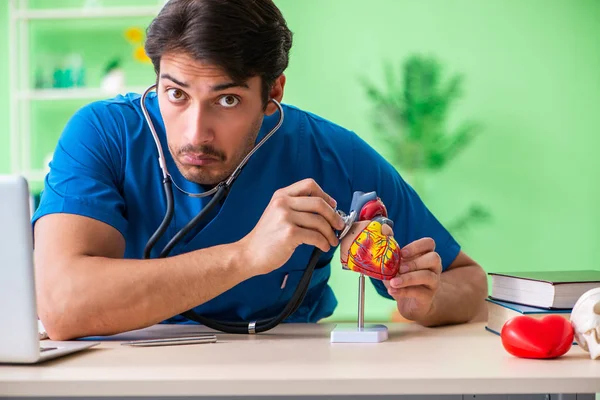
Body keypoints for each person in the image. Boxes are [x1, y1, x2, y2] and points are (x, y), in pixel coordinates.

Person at [32, 0, 488, 341]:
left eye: (227, 100)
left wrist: (426, 301)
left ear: (273, 93)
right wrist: (246, 255)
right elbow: (63, 306)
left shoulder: (329, 154)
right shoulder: (103, 134)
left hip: (283, 372)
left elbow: (467, 280)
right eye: (175, 94)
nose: (196, 132)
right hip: (131, 370)